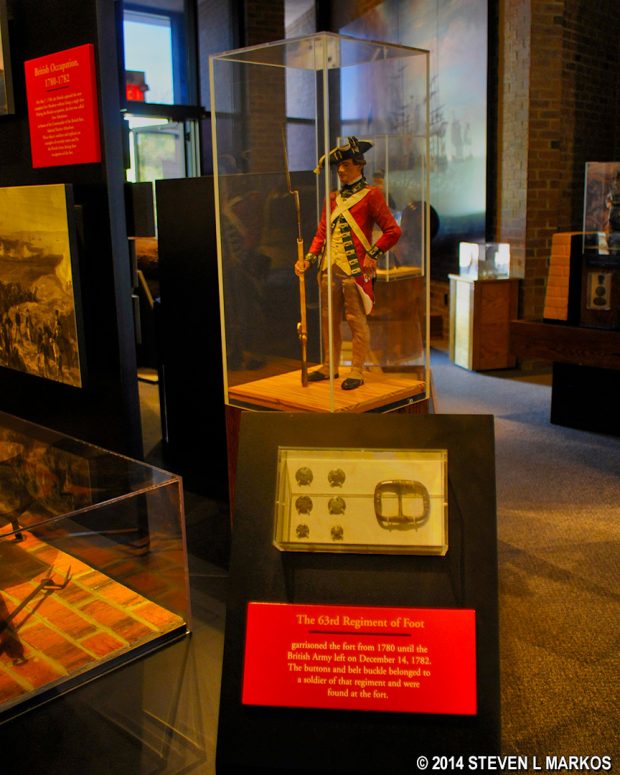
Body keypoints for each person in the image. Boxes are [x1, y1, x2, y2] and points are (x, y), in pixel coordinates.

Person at [295, 137, 401, 390]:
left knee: (355, 319)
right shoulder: (332, 198)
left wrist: (372, 255)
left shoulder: (371, 195)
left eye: (346, 165)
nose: (340, 170)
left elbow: (392, 231)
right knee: (327, 318)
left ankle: (356, 369)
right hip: (328, 268)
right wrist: (309, 259)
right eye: (338, 166)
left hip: (355, 270)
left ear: (359, 165)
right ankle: (329, 365)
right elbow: (322, 233)